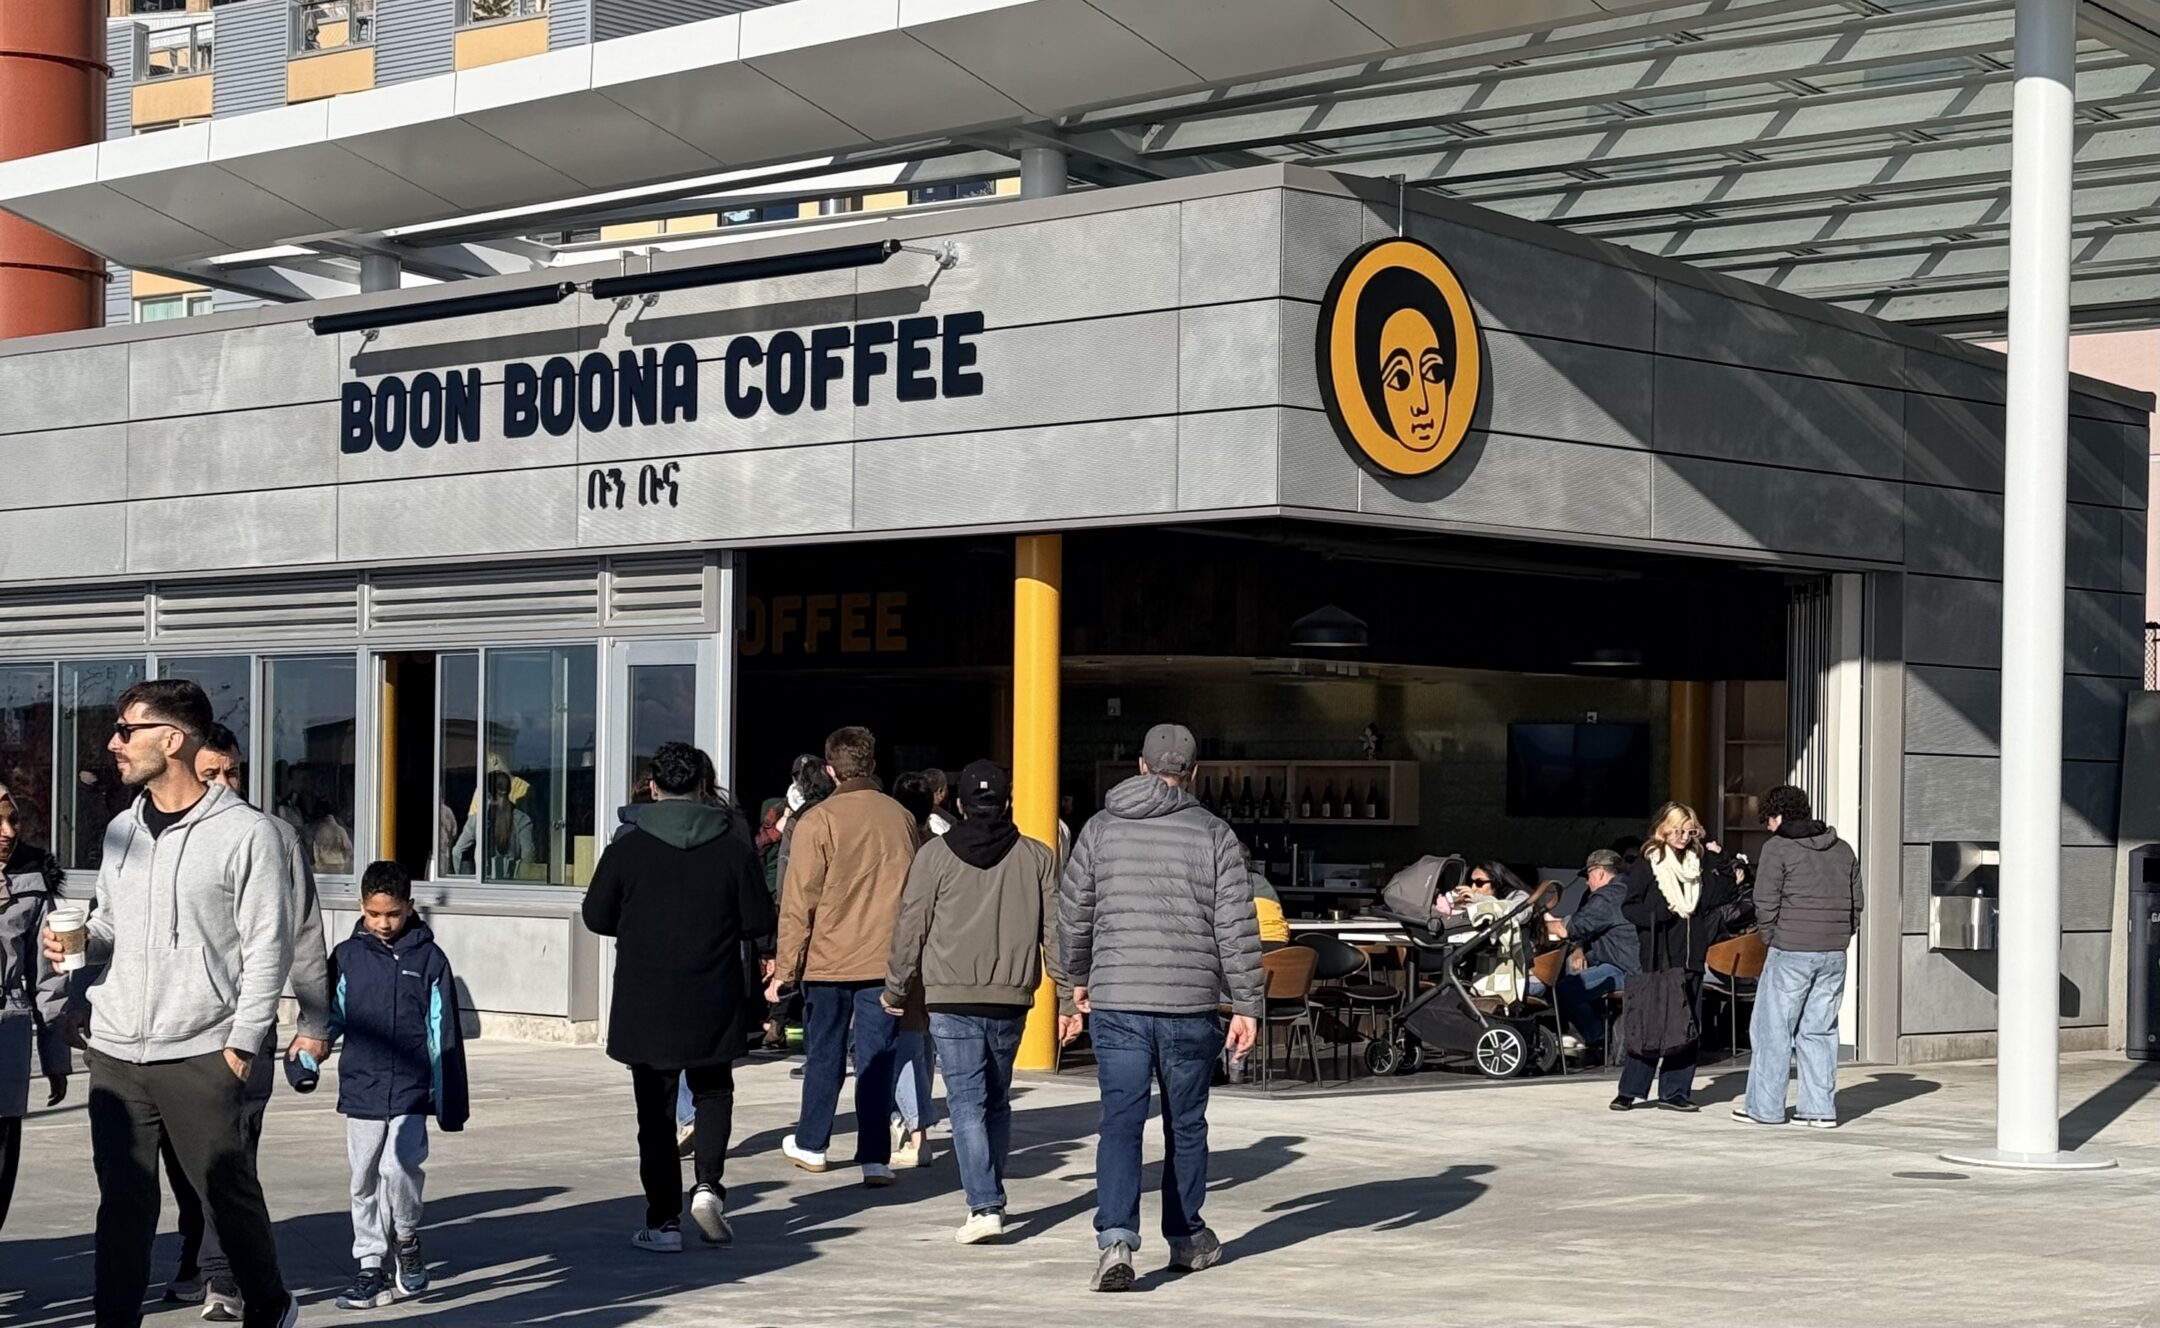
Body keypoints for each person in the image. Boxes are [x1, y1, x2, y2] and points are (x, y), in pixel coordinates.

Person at [43, 679, 298, 1328]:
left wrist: (242, 1044)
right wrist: (75, 951)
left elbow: (270, 947)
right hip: (117, 1052)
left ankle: (268, 1306)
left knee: (226, 1199)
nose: (113, 743)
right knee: (123, 1209)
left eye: (127, 730)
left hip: (202, 1051)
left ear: (172, 739)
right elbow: (109, 927)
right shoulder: (124, 829)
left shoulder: (248, 835)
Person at [1061, 723, 1262, 1292]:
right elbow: (1236, 927)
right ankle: (1186, 1236)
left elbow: (1074, 913)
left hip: (1118, 999)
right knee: (1186, 1124)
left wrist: (1074, 980)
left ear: (1142, 768)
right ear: (1194, 774)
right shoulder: (1215, 835)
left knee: (1120, 1123)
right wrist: (1246, 1003)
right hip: (1190, 1003)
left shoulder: (1099, 830)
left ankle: (1116, 1240)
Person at [162, 725, 334, 1320]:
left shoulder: (272, 837)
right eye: (211, 775)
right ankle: (198, 1254)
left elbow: (304, 933)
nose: (223, 785)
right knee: (180, 1158)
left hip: (241, 1030)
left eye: (232, 773)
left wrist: (314, 1020)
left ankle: (223, 1275)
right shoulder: (152, 837)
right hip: (164, 1031)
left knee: (230, 1155)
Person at [583, 742, 774, 1251]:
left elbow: (596, 916)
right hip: (712, 990)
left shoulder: (627, 846)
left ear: (652, 787)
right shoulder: (733, 846)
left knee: (656, 1112)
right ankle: (708, 1185)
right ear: (702, 787)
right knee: (713, 1090)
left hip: (646, 995)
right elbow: (758, 921)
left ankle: (663, 1220)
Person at [885, 760, 1080, 1244]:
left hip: (949, 996)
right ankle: (989, 1195)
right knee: (996, 1100)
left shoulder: (933, 857)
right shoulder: (1037, 857)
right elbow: (1055, 931)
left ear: (958, 804)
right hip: (1012, 998)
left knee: (966, 1103)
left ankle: (984, 1204)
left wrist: (895, 988)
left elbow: (912, 926)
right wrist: (1069, 996)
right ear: (1007, 802)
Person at [767, 726, 921, 1186]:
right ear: (871, 765)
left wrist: (784, 969)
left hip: (828, 959)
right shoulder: (900, 818)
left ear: (831, 770)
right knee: (877, 1057)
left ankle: (813, 1143)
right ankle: (874, 1156)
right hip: (883, 958)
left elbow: (799, 902)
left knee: (824, 1054)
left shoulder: (819, 820)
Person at [330, 862, 469, 1309]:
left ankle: (406, 1237)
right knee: (363, 1178)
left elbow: (442, 1030)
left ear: (409, 907)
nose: (383, 924)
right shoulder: (347, 957)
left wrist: (449, 1097)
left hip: (412, 1087)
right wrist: (307, 1055)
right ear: (361, 907)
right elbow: (329, 1015)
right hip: (362, 1087)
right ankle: (370, 1265)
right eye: (374, 914)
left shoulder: (430, 960)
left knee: (398, 1167)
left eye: (392, 914)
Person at [1737, 784, 1862, 1129]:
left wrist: (1771, 937)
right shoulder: (1843, 849)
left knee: (1772, 1029)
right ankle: (1819, 1109)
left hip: (1790, 949)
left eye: (1768, 819)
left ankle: (1765, 1108)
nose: (1767, 827)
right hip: (1834, 952)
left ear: (1777, 816)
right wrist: (1841, 937)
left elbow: (1764, 901)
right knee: (1820, 1031)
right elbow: (1857, 904)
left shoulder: (1778, 848)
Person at [1611, 802, 1735, 1113]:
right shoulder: (1647, 862)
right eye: (1677, 830)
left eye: (1690, 831)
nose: (1683, 837)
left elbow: (1720, 897)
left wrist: (1720, 857)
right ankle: (1630, 1089)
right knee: (1652, 1022)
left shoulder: (1698, 862)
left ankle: (1675, 1091)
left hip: (1691, 955)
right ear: (1664, 829)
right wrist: (1657, 915)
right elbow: (1630, 906)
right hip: (1658, 953)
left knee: (1686, 1025)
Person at [0, 784, 69, 1236]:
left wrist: (56, 1058)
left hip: (7, 1027)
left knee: (2, 1159)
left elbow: (47, 976)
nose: (8, 832)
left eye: (14, 821)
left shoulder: (32, 883)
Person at [1548, 848, 1639, 1061]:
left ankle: (1597, 1035)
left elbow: (1568, 929)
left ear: (1599, 873)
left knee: (1565, 989)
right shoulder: (1631, 888)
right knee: (1577, 967)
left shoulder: (1607, 897)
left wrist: (1539, 923)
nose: (1587, 883)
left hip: (1625, 967)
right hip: (1633, 963)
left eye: (1589, 876)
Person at [452, 771, 536, 875]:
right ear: (508, 790)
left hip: (483, 886)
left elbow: (457, 852)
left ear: (488, 795)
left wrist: (460, 880)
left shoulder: (477, 819)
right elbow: (528, 858)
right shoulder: (523, 820)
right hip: (512, 886)